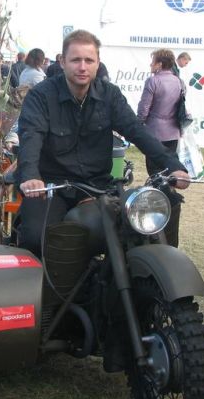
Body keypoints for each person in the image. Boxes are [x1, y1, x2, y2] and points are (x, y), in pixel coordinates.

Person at [17, 29, 189, 257]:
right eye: (76, 60)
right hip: (53, 186)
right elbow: (31, 136)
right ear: (62, 61)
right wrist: (30, 176)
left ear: (98, 63)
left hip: (98, 186)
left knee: (136, 229)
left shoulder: (110, 95)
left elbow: (137, 130)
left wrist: (173, 164)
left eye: (89, 60)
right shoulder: (41, 96)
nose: (82, 66)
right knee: (35, 236)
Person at [136, 48, 184, 247]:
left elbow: (144, 108)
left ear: (160, 63)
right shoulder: (178, 81)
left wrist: (138, 125)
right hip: (173, 133)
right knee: (168, 176)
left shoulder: (153, 81)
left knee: (155, 176)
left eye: (153, 61)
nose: (150, 65)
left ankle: (158, 216)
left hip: (154, 133)